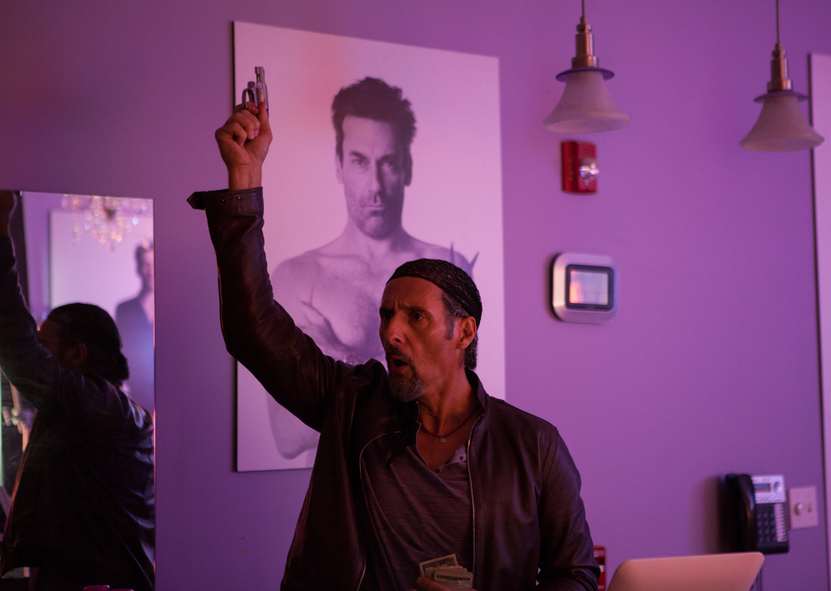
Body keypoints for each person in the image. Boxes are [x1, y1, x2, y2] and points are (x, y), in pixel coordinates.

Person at [188, 93, 599, 590]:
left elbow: (574, 576)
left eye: (415, 317)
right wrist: (244, 178)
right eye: (387, 315)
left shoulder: (533, 446)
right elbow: (251, 328)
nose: (391, 332)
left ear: (464, 331)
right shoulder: (352, 406)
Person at [267, 77, 475, 461]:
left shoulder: (450, 268)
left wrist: (338, 356)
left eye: (388, 163)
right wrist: (412, 375)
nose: (375, 186)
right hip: (344, 487)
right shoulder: (296, 278)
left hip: (430, 483)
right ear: (339, 166)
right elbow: (288, 435)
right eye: (360, 162)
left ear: (407, 167)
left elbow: (455, 407)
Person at [0, 191, 155, 591]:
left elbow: (18, 349)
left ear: (77, 353)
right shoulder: (99, 405)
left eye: (45, 346)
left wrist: (1, 230)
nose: (40, 355)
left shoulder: (100, 404)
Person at [115, 241, 155, 413]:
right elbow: (121, 350)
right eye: (146, 264)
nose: (150, 271)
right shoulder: (125, 309)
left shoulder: (172, 305)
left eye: (153, 264)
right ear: (138, 268)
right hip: (138, 392)